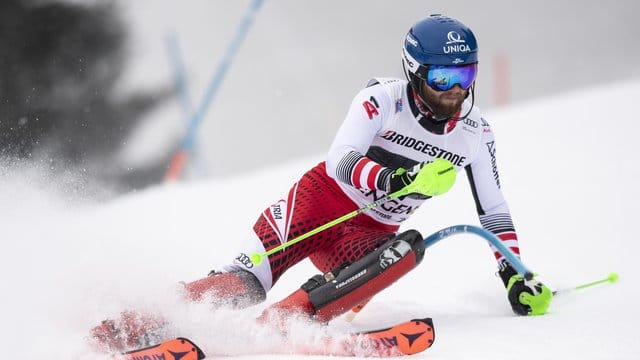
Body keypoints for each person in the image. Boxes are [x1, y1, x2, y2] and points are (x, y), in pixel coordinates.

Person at [91, 14, 552, 353]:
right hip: (316, 203)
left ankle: (288, 320)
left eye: (466, 75)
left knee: (406, 249)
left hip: (366, 235)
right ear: (416, 72)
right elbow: (341, 160)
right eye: (444, 77)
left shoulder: (476, 134)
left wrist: (514, 274)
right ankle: (126, 327)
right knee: (241, 287)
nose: (456, 90)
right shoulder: (381, 101)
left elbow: (494, 210)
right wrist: (400, 177)